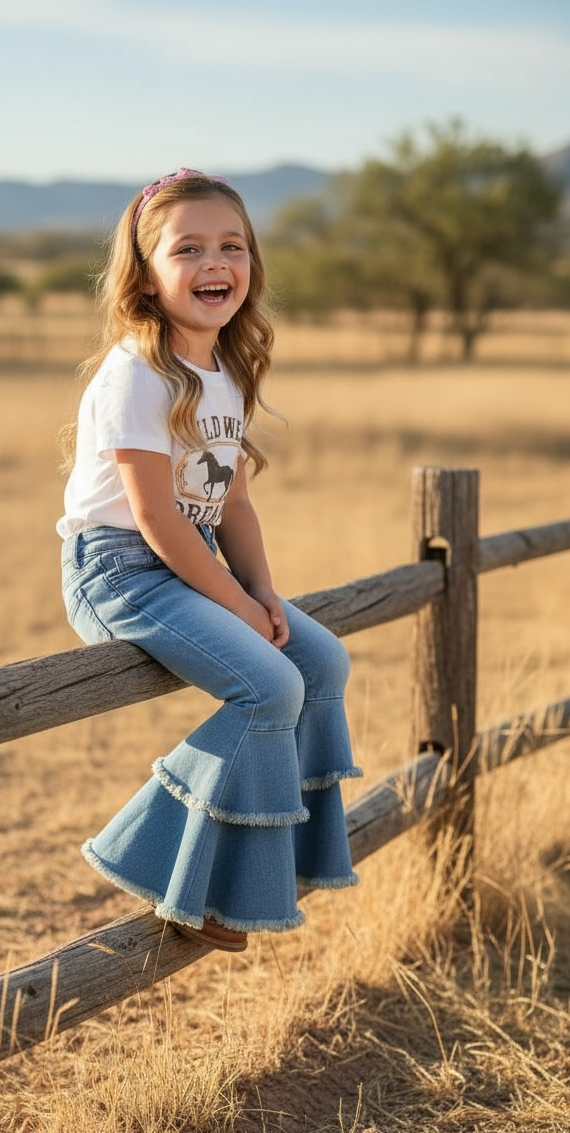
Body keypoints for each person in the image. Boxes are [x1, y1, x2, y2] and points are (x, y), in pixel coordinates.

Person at [58, 168, 361, 953]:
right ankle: (183, 873)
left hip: (186, 567)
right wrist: (235, 605)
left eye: (231, 245)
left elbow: (231, 505)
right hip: (118, 570)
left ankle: (276, 857)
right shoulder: (137, 372)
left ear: (252, 265)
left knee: (321, 661)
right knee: (270, 687)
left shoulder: (222, 371)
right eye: (186, 248)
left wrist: (263, 590)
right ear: (148, 278)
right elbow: (157, 517)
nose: (213, 262)